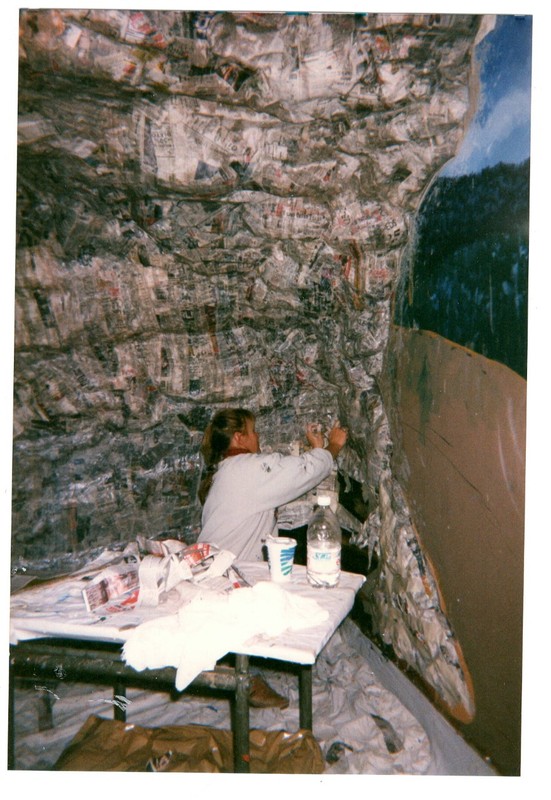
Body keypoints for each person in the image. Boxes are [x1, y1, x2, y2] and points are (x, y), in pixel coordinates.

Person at [197, 408, 347, 562]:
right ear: (238, 438)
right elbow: (306, 470)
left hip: (217, 570)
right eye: (253, 431)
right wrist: (334, 444)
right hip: (221, 577)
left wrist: (317, 450)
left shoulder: (229, 471)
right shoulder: (247, 469)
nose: (257, 435)